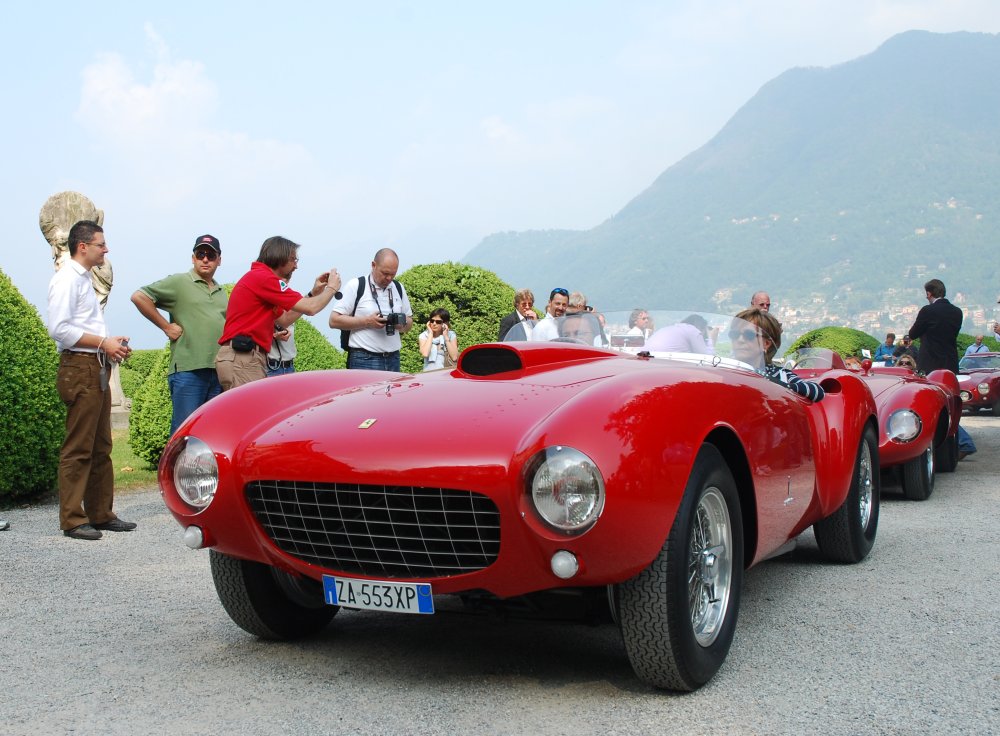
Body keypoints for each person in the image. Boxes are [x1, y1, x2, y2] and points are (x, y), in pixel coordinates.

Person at [46, 220, 134, 540]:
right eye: (101, 244)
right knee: (79, 447)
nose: (105, 249)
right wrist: (103, 343)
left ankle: (100, 513)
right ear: (83, 246)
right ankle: (72, 519)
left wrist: (109, 343)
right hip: (80, 367)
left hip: (93, 365)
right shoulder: (67, 279)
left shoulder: (82, 279)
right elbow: (58, 329)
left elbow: (77, 326)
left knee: (101, 445)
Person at [131, 234, 228, 435]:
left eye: (211, 255)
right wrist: (166, 326)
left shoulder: (221, 292)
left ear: (219, 259)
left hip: (217, 371)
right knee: (185, 431)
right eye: (200, 254)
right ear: (193, 258)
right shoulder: (179, 282)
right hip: (188, 370)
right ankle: (173, 467)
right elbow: (139, 297)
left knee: (211, 432)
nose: (205, 259)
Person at [217, 236, 341, 390]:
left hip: (243, 357)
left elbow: (284, 319)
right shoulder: (264, 278)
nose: (296, 266)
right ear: (280, 257)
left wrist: (312, 294)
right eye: (293, 260)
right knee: (252, 413)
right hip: (243, 357)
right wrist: (332, 288)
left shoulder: (259, 278)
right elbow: (312, 308)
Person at [330, 248, 413, 371]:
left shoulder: (398, 287)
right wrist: (367, 322)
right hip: (364, 359)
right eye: (385, 273)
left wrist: (401, 323)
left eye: (393, 274)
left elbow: (409, 323)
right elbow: (334, 321)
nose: (389, 278)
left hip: (393, 358)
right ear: (373, 265)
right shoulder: (357, 285)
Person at [731, 308, 824, 402]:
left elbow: (817, 392)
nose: (740, 340)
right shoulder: (726, 370)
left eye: (749, 335)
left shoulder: (779, 374)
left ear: (766, 344)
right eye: (734, 335)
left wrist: (780, 386)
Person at [908, 279, 963, 374]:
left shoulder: (927, 311)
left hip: (929, 363)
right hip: (950, 363)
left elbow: (913, 334)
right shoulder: (957, 312)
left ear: (929, 294)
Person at [644, 314, 717, 354]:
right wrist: (711, 338)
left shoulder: (667, 328)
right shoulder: (693, 330)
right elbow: (707, 358)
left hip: (645, 356)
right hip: (665, 361)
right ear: (702, 328)